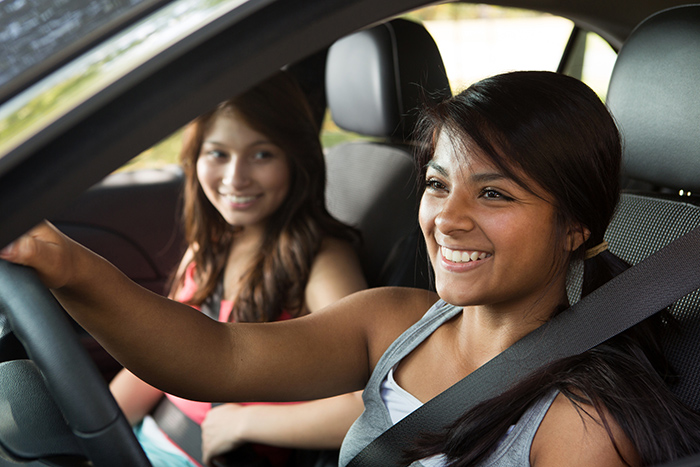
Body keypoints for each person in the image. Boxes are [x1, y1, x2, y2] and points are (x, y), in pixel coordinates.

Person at [5, 70, 700, 466]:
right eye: (437, 183)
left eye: (494, 193)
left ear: (575, 225)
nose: (447, 218)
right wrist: (63, 262)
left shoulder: (579, 425)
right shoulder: (395, 318)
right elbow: (220, 355)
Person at [106, 71, 367, 467]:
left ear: (296, 160)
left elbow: (369, 407)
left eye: (262, 154)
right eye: (218, 154)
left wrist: (244, 421)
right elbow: (157, 355)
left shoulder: (320, 260)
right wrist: (96, 432)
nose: (235, 177)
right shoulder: (211, 246)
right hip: (144, 441)